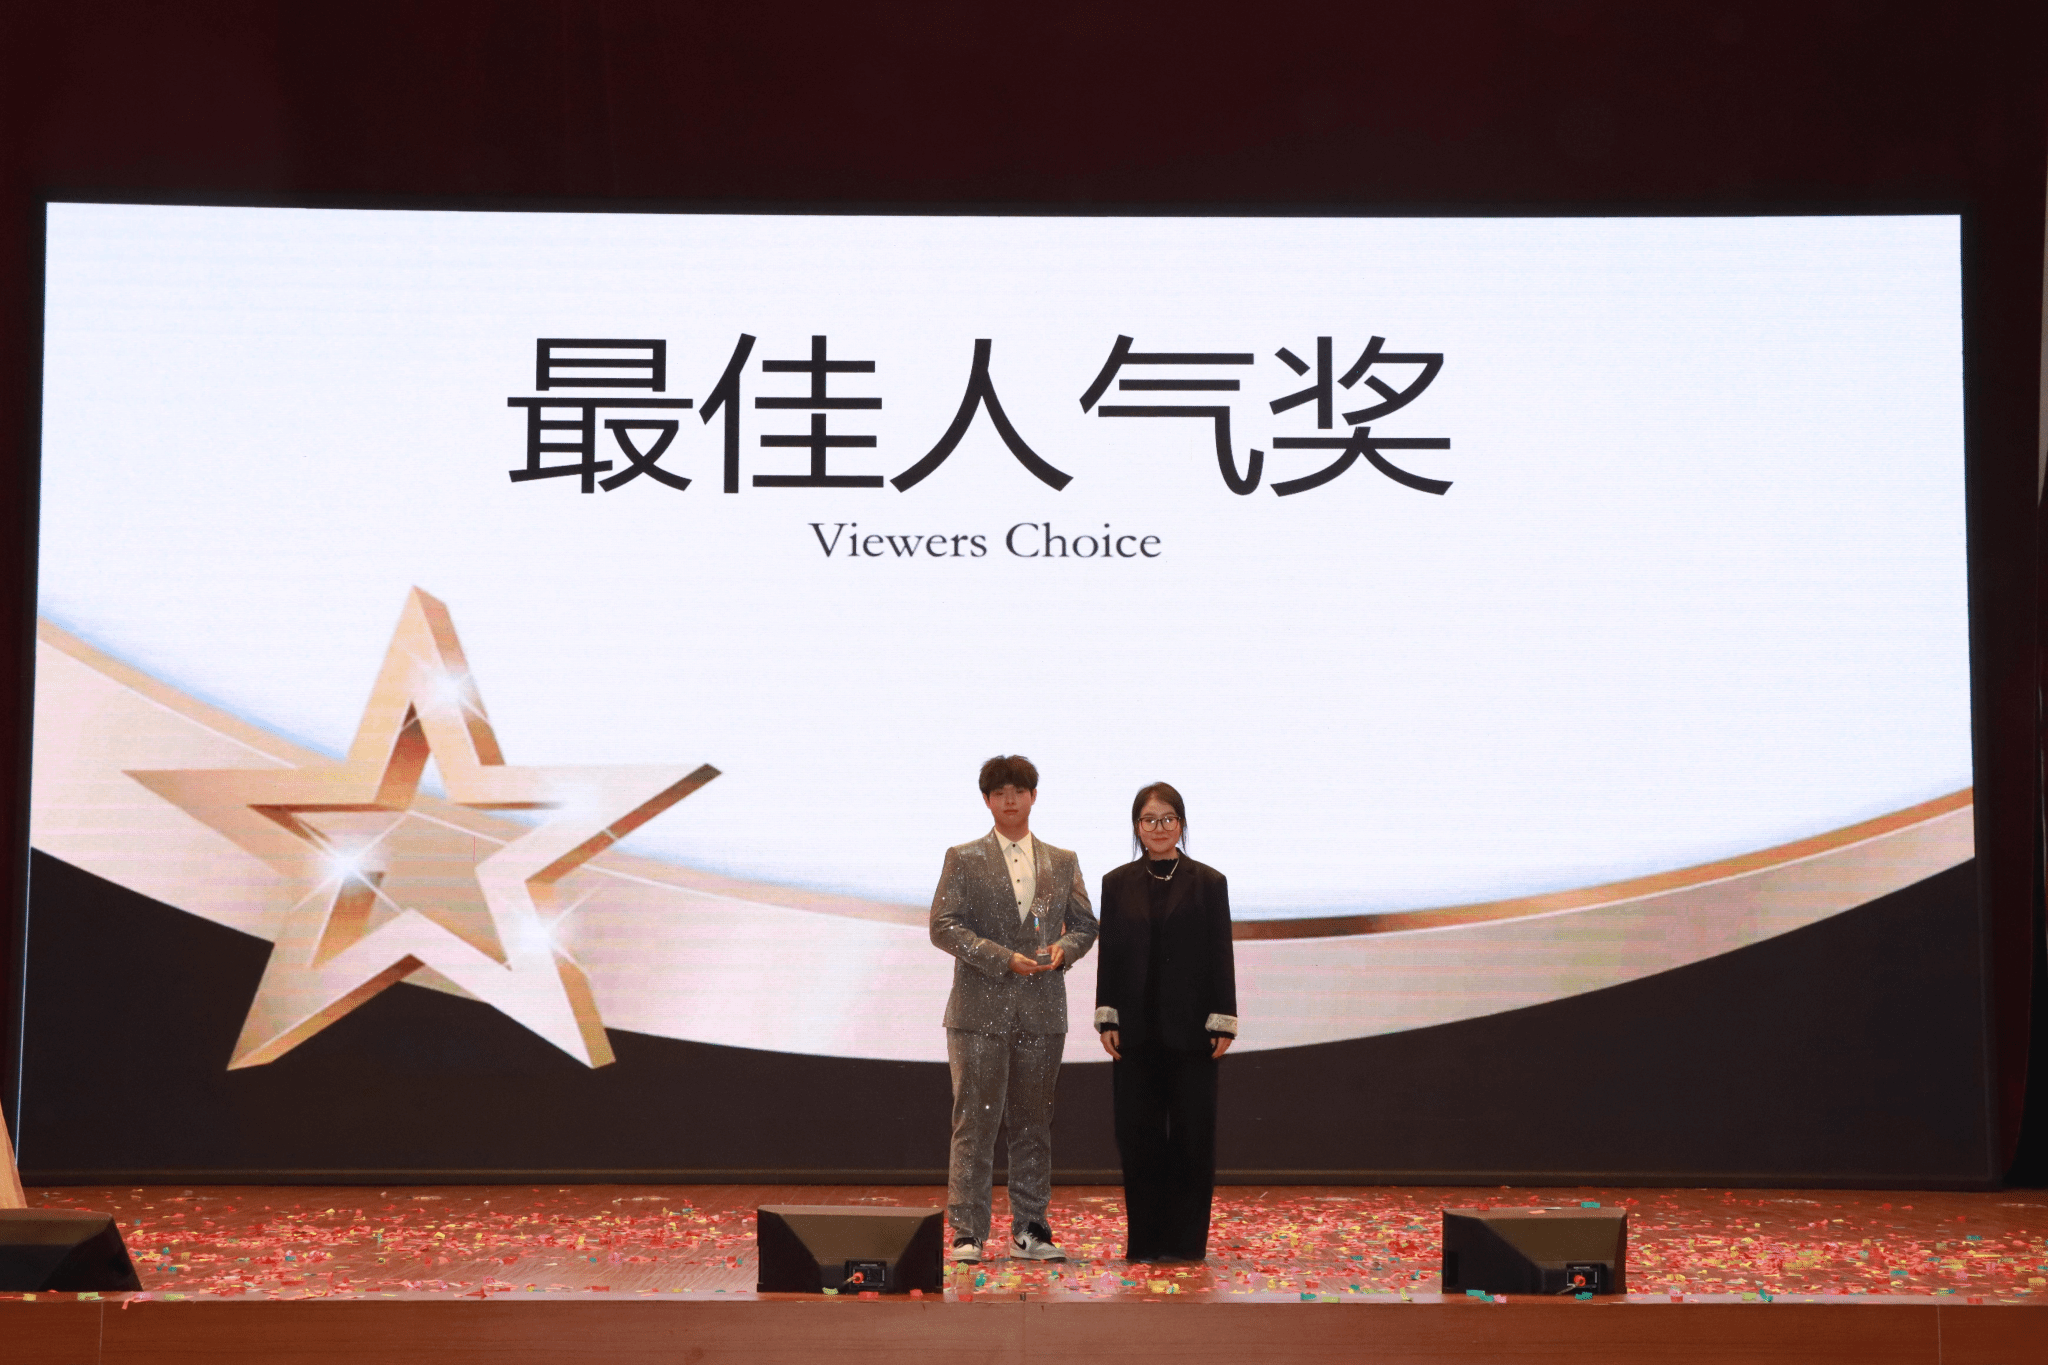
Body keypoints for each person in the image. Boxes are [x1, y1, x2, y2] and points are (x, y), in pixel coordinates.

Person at [929, 755, 1097, 1264]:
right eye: (999, 792)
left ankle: (1030, 1228)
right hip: (977, 1013)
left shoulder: (1062, 860)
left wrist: (1063, 950)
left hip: (1042, 1012)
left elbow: (1085, 925)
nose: (1010, 800)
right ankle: (968, 1231)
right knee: (975, 1124)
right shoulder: (963, 857)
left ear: (1033, 796)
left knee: (1033, 1123)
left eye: (1018, 791)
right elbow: (943, 926)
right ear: (986, 800)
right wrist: (1002, 958)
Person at [1094, 781, 1237, 1263]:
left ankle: (1186, 1245)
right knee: (1138, 1139)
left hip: (1193, 1034)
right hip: (1135, 1033)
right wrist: (1107, 1016)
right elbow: (1111, 956)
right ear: (1137, 827)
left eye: (1168, 818)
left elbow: (1220, 953)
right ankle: (1146, 1243)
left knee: (1194, 1139)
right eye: (1149, 820)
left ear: (1181, 824)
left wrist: (1224, 1020)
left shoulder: (1209, 882)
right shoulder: (1116, 883)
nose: (1159, 827)